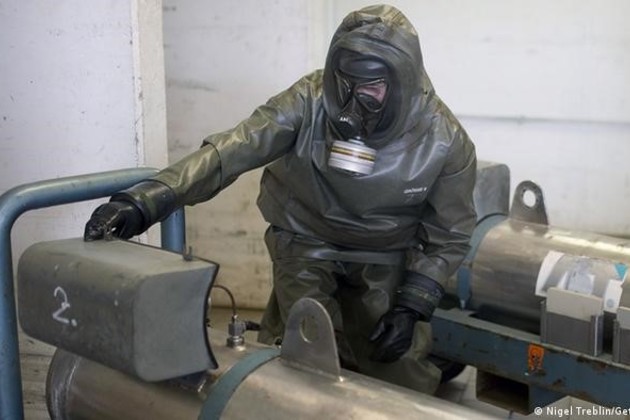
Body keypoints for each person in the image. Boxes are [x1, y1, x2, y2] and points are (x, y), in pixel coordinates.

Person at [84, 4, 476, 394]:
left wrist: (411, 306)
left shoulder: (445, 140)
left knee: (398, 366)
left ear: (402, 83)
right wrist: (146, 200)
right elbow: (234, 149)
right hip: (305, 240)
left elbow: (450, 234)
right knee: (304, 353)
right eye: (345, 85)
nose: (351, 108)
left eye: (371, 90)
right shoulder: (309, 100)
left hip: (385, 253)